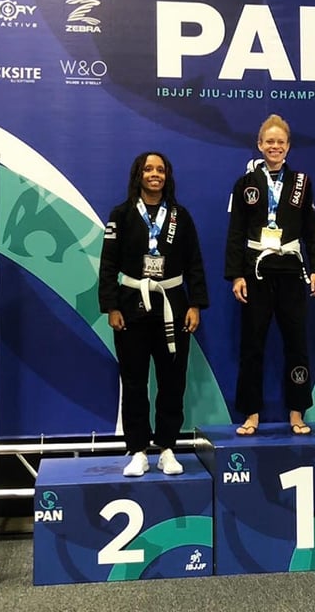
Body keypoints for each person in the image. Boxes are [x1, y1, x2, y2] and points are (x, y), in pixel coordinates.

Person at [99, 152, 208, 476]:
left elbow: (194, 262)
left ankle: (167, 448)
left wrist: (195, 304)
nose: (155, 174)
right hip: (131, 305)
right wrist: (111, 306)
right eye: (148, 169)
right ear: (139, 175)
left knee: (172, 380)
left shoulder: (179, 216)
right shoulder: (120, 215)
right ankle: (137, 450)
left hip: (173, 305)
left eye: (160, 169)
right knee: (134, 382)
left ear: (167, 176)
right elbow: (108, 264)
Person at [225, 114, 315, 436]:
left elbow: (312, 229)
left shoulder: (301, 183)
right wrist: (236, 275)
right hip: (256, 271)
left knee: (296, 343)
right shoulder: (245, 184)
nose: (275, 146)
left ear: (288, 147)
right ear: (260, 145)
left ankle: (297, 411)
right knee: (252, 344)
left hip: (291, 269)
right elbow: (236, 232)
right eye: (269, 141)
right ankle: (251, 413)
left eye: (280, 142)